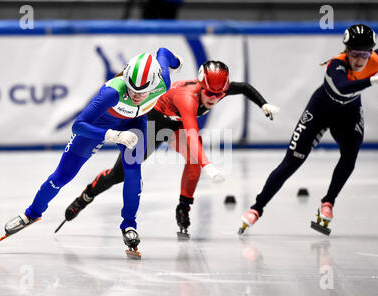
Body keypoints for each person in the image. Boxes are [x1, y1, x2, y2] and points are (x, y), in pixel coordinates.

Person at [58, 60, 280, 237]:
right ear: (201, 85)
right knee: (120, 175)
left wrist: (263, 104)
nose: (213, 99)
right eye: (209, 93)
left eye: (219, 94)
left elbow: (244, 88)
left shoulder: (218, 88)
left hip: (176, 124)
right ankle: (87, 195)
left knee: (193, 161)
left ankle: (183, 207)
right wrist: (209, 165)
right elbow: (192, 132)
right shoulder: (188, 98)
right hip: (152, 123)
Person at [0, 48, 182, 253]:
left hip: (134, 124)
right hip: (99, 126)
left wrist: (176, 62)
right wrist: (112, 135)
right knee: (62, 176)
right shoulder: (112, 92)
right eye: (131, 89)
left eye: (141, 92)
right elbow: (78, 125)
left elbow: (163, 52)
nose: (135, 95)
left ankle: (129, 224)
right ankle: (32, 213)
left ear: (155, 84)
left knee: (133, 172)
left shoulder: (164, 82)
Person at [238, 24, 378, 236]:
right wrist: (376, 80)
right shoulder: (336, 66)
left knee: (350, 155)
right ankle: (256, 208)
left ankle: (328, 203)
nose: (360, 60)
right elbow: (343, 88)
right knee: (291, 163)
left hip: (348, 115)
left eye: (364, 54)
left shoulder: (374, 58)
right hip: (320, 111)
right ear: (346, 51)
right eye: (354, 54)